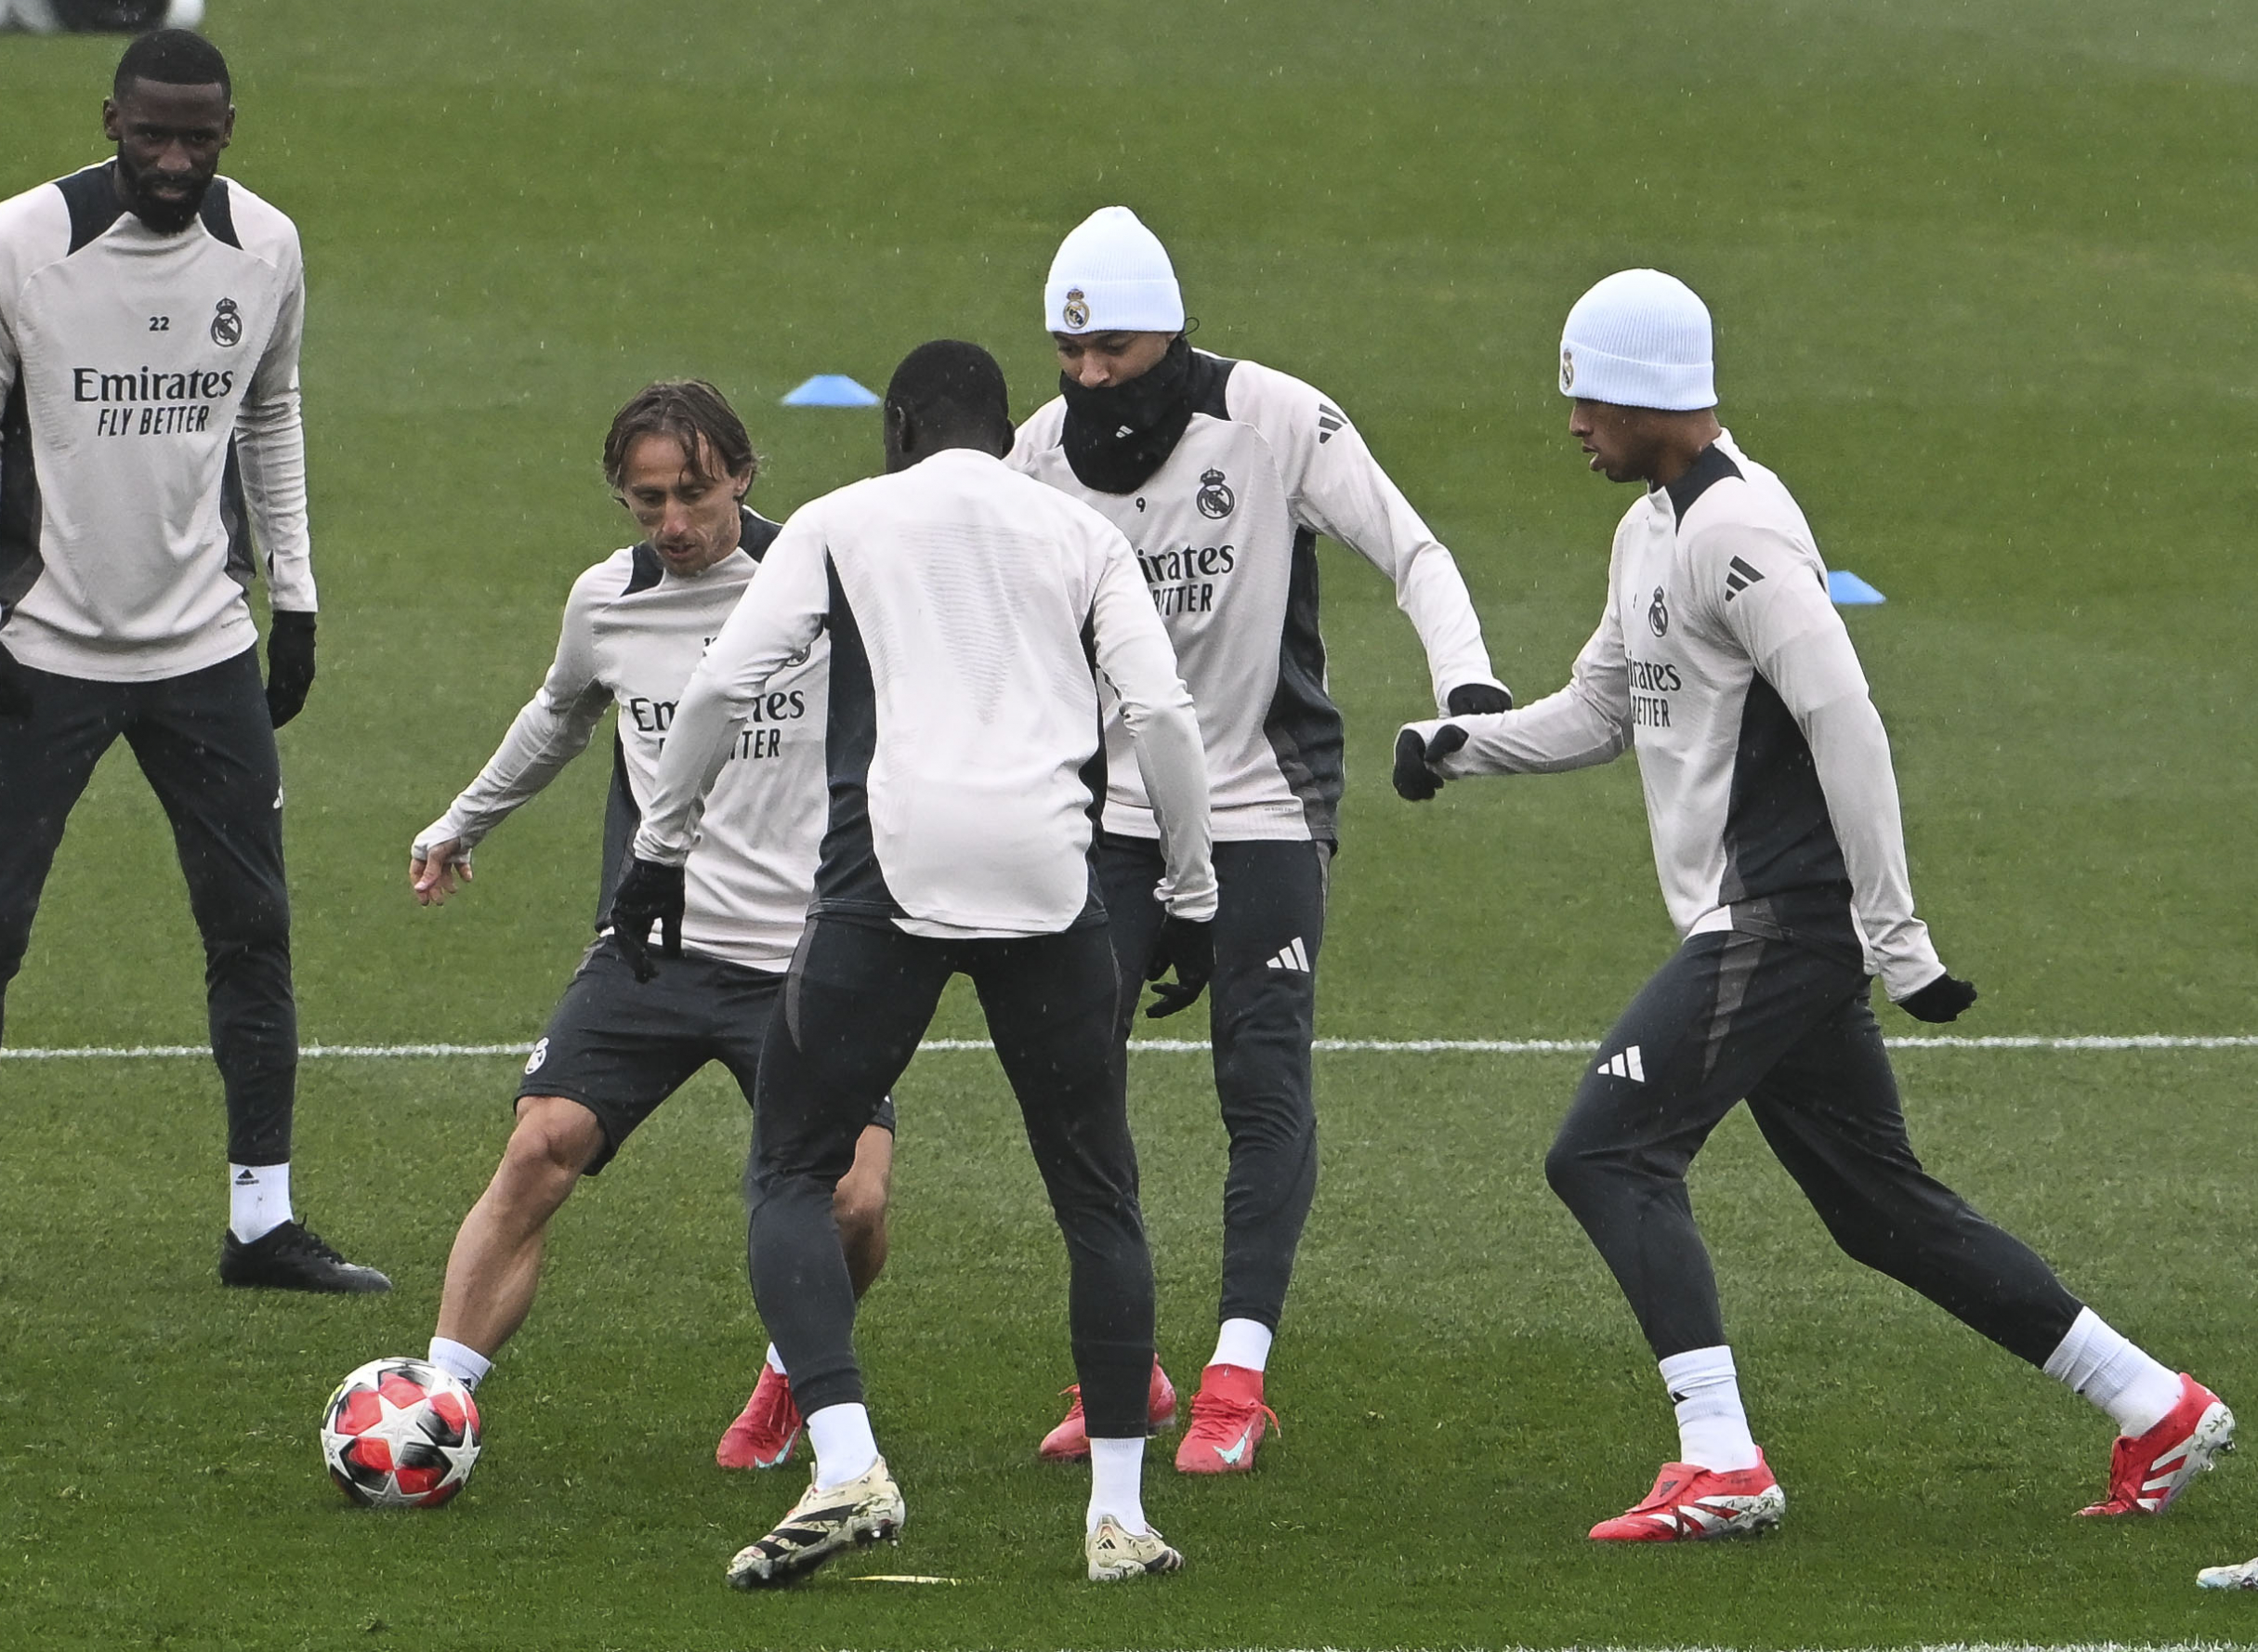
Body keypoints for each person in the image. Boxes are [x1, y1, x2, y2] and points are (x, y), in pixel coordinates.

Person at [1393, 268, 2233, 1540]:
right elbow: (1606, 708)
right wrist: (1465, 747)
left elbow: (1846, 716)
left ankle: (1720, 1459)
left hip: (1778, 917)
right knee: (1882, 1211)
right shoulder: (1647, 534)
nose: (1571, 424)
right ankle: (2155, 1404)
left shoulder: (1740, 531)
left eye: (1587, 400)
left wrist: (1899, 938)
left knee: (1607, 1151)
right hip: (1754, 922)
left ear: (1647, 398)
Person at [616, 340, 1219, 1586]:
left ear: (897, 427)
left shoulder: (841, 521)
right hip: (1051, 880)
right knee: (1097, 1197)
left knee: (790, 1168)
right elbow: (1158, 715)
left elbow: (728, 681)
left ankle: (847, 1466)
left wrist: (661, 850)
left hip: (890, 875)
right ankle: (1119, 1518)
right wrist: (1194, 888)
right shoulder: (1078, 534)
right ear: (1006, 433)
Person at [1004, 205, 1508, 1472]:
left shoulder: (1277, 419)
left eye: (1111, 349)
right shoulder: (1037, 455)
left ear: (1169, 329)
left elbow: (1414, 548)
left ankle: (1237, 1376)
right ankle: (1125, 1363)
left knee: (1260, 1080)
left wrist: (1470, 685)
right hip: (1109, 816)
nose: (1088, 378)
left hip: (1265, 805)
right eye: (1069, 355)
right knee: (1074, 1073)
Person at [0, 27, 382, 1296]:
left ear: (229, 129)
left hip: (202, 646)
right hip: (44, 649)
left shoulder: (267, 247)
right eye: (152, 132)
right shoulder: (19, 247)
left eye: (200, 136)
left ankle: (261, 1222)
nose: (174, 158)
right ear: (108, 115)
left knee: (252, 929)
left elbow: (272, 412)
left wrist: (299, 598)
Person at [406, 380, 895, 1464]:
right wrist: (462, 822)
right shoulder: (607, 600)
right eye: (646, 503)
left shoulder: (825, 578)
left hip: (809, 959)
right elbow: (559, 714)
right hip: (656, 948)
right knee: (541, 1143)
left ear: (744, 475)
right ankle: (435, 1407)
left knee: (854, 1204)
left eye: (694, 495)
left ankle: (787, 1372)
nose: (673, 526)